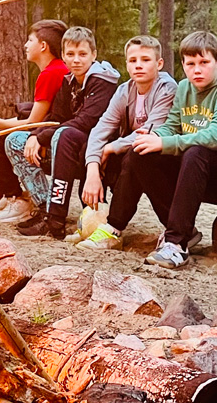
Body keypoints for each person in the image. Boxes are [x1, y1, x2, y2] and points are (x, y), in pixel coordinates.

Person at [124, 30, 217, 269]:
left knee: (197, 151)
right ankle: (186, 231)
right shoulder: (184, 88)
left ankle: (175, 244)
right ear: (183, 65)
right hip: (196, 167)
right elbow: (172, 125)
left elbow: (216, 137)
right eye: (190, 64)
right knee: (140, 153)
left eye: (204, 62)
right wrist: (154, 137)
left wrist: (165, 143)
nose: (197, 70)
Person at [11, 26, 119, 238]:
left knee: (64, 135)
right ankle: (44, 208)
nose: (76, 60)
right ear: (63, 56)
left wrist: (43, 136)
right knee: (16, 140)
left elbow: (86, 121)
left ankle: (56, 219)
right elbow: (56, 117)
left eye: (82, 54)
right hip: (70, 139)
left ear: (94, 55)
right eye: (70, 54)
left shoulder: (103, 81)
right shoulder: (68, 81)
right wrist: (34, 135)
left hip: (99, 147)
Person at [75, 35, 178, 250]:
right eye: (132, 60)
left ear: (159, 63)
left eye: (145, 60)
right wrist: (93, 170)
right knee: (88, 149)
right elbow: (101, 128)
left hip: (165, 156)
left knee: (134, 155)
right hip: (136, 150)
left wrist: (111, 147)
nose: (138, 65)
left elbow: (153, 131)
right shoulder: (125, 90)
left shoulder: (167, 89)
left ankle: (113, 229)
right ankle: (92, 222)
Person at [0, 19, 69, 224]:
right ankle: (13, 194)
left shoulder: (51, 73)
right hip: (49, 129)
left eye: (30, 40)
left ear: (43, 46)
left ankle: (17, 198)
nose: (25, 45)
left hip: (48, 135)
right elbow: (36, 116)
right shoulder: (56, 69)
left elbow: (33, 123)